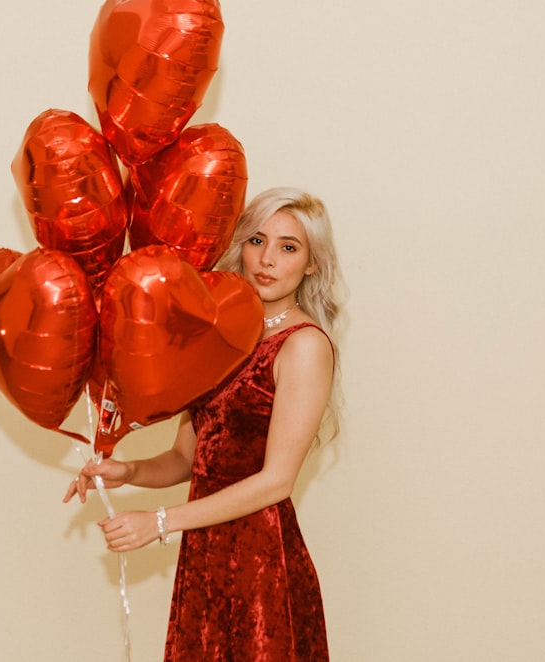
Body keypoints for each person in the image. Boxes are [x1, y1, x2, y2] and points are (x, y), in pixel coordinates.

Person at [64, 186, 343, 661]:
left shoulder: (304, 345)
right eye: (257, 241)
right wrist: (126, 471)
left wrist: (159, 523)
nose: (267, 259)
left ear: (311, 264)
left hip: (261, 560)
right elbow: (186, 458)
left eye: (288, 247)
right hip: (205, 554)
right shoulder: (225, 335)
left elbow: (276, 482)